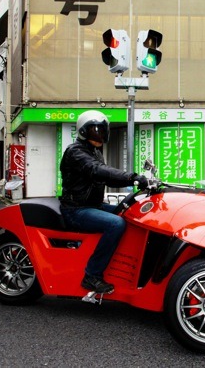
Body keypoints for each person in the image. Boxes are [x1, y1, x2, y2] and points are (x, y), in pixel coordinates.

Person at [60, 110, 148, 294]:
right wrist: (133, 177)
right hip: (76, 209)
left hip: (92, 205)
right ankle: (92, 275)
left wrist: (135, 180)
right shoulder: (76, 152)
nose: (98, 134)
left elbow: (108, 178)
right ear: (83, 131)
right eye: (94, 130)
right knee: (116, 223)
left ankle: (124, 267)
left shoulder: (94, 152)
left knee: (129, 212)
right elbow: (97, 170)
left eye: (101, 130)